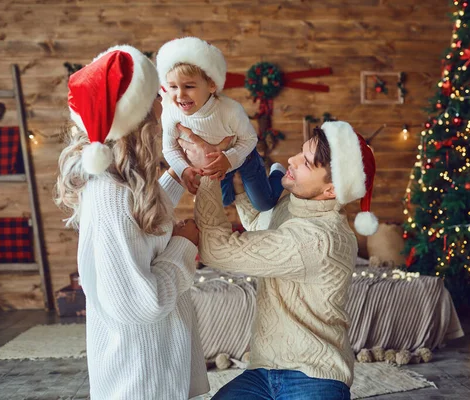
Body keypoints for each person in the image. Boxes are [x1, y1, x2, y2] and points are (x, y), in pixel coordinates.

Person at [180, 121, 378, 399]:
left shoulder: (321, 239)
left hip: (315, 375)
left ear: (331, 190)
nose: (292, 161)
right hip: (263, 371)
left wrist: (208, 174)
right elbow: (261, 224)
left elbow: (218, 250)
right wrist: (232, 161)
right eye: (300, 151)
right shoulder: (292, 204)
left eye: (307, 163)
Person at [54, 45, 208, 399]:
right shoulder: (110, 196)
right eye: (155, 95)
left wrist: (176, 177)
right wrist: (185, 244)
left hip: (157, 361)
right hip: (141, 376)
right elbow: (140, 304)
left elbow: (140, 222)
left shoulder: (121, 182)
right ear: (139, 118)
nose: (163, 101)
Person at [156, 36, 284, 210]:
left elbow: (249, 139)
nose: (180, 95)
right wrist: (183, 169)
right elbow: (170, 148)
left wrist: (230, 159)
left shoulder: (229, 110)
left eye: (189, 86)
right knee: (224, 201)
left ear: (211, 85)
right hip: (212, 163)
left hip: (243, 155)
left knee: (264, 204)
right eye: (173, 87)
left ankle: (278, 173)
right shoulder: (171, 112)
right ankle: (231, 187)